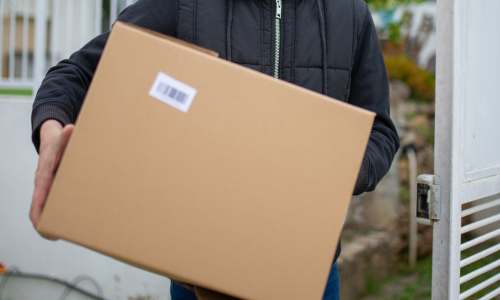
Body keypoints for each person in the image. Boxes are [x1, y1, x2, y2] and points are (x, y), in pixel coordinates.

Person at [29, 0, 400, 299]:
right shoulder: (185, 5)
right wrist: (51, 126)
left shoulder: (349, 12)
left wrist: (347, 170)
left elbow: (380, 130)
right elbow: (77, 74)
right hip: (199, 279)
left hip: (308, 278)